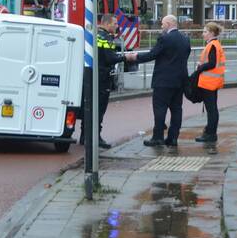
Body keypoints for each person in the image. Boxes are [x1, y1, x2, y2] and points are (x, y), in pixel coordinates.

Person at [125, 15, 191, 147]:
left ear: (168, 24)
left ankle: (158, 137)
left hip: (163, 81)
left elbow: (152, 54)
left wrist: (135, 57)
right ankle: (173, 138)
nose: (161, 26)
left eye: (162, 24)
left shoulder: (164, 38)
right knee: (177, 109)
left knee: (160, 109)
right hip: (179, 80)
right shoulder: (185, 39)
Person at [81, 14, 124, 150]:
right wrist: (125, 57)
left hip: (89, 75)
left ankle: (84, 136)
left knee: (88, 106)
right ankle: (96, 137)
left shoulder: (93, 35)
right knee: (99, 108)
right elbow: (110, 58)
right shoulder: (107, 38)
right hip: (102, 77)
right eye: (115, 24)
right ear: (107, 24)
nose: (117, 26)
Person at [194, 22, 227, 144]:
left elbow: (212, 63)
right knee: (212, 109)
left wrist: (200, 68)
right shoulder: (214, 44)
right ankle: (210, 132)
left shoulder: (212, 45)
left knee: (211, 109)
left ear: (212, 33)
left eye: (205, 32)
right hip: (213, 81)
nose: (203, 34)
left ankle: (210, 134)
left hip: (209, 82)